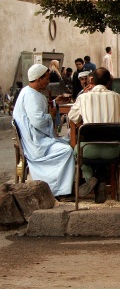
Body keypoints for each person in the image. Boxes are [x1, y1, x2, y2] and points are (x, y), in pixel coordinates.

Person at [12, 64, 75, 197]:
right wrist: (51, 115)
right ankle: (58, 190)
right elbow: (38, 121)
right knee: (67, 150)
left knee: (69, 141)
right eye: (46, 78)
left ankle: (63, 185)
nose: (48, 81)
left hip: (39, 138)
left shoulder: (32, 93)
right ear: (38, 79)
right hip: (35, 143)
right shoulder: (30, 95)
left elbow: (41, 111)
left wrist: (54, 103)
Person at [68, 68, 120, 203]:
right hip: (114, 151)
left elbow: (72, 117)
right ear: (109, 82)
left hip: (88, 150)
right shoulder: (117, 97)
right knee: (103, 155)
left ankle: (92, 179)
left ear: (91, 80)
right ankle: (100, 180)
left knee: (76, 152)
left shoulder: (83, 97)